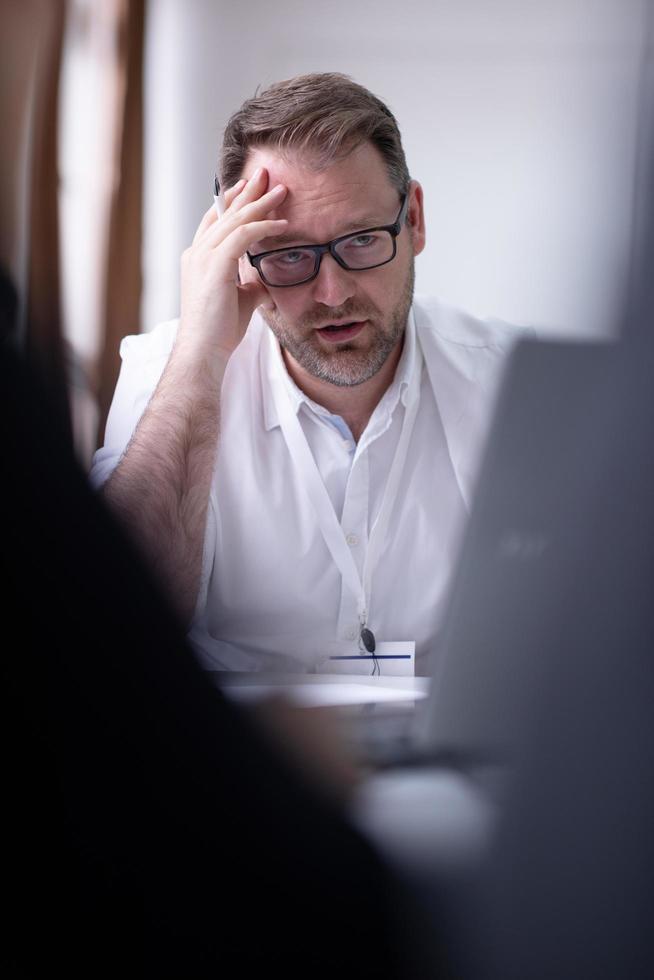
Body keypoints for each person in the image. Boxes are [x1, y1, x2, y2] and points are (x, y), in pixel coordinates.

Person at [92, 72, 526, 674]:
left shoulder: (510, 385)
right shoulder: (171, 374)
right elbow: (111, 627)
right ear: (237, 256)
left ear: (415, 220)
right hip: (234, 756)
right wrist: (198, 355)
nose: (332, 293)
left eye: (363, 240)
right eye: (289, 254)